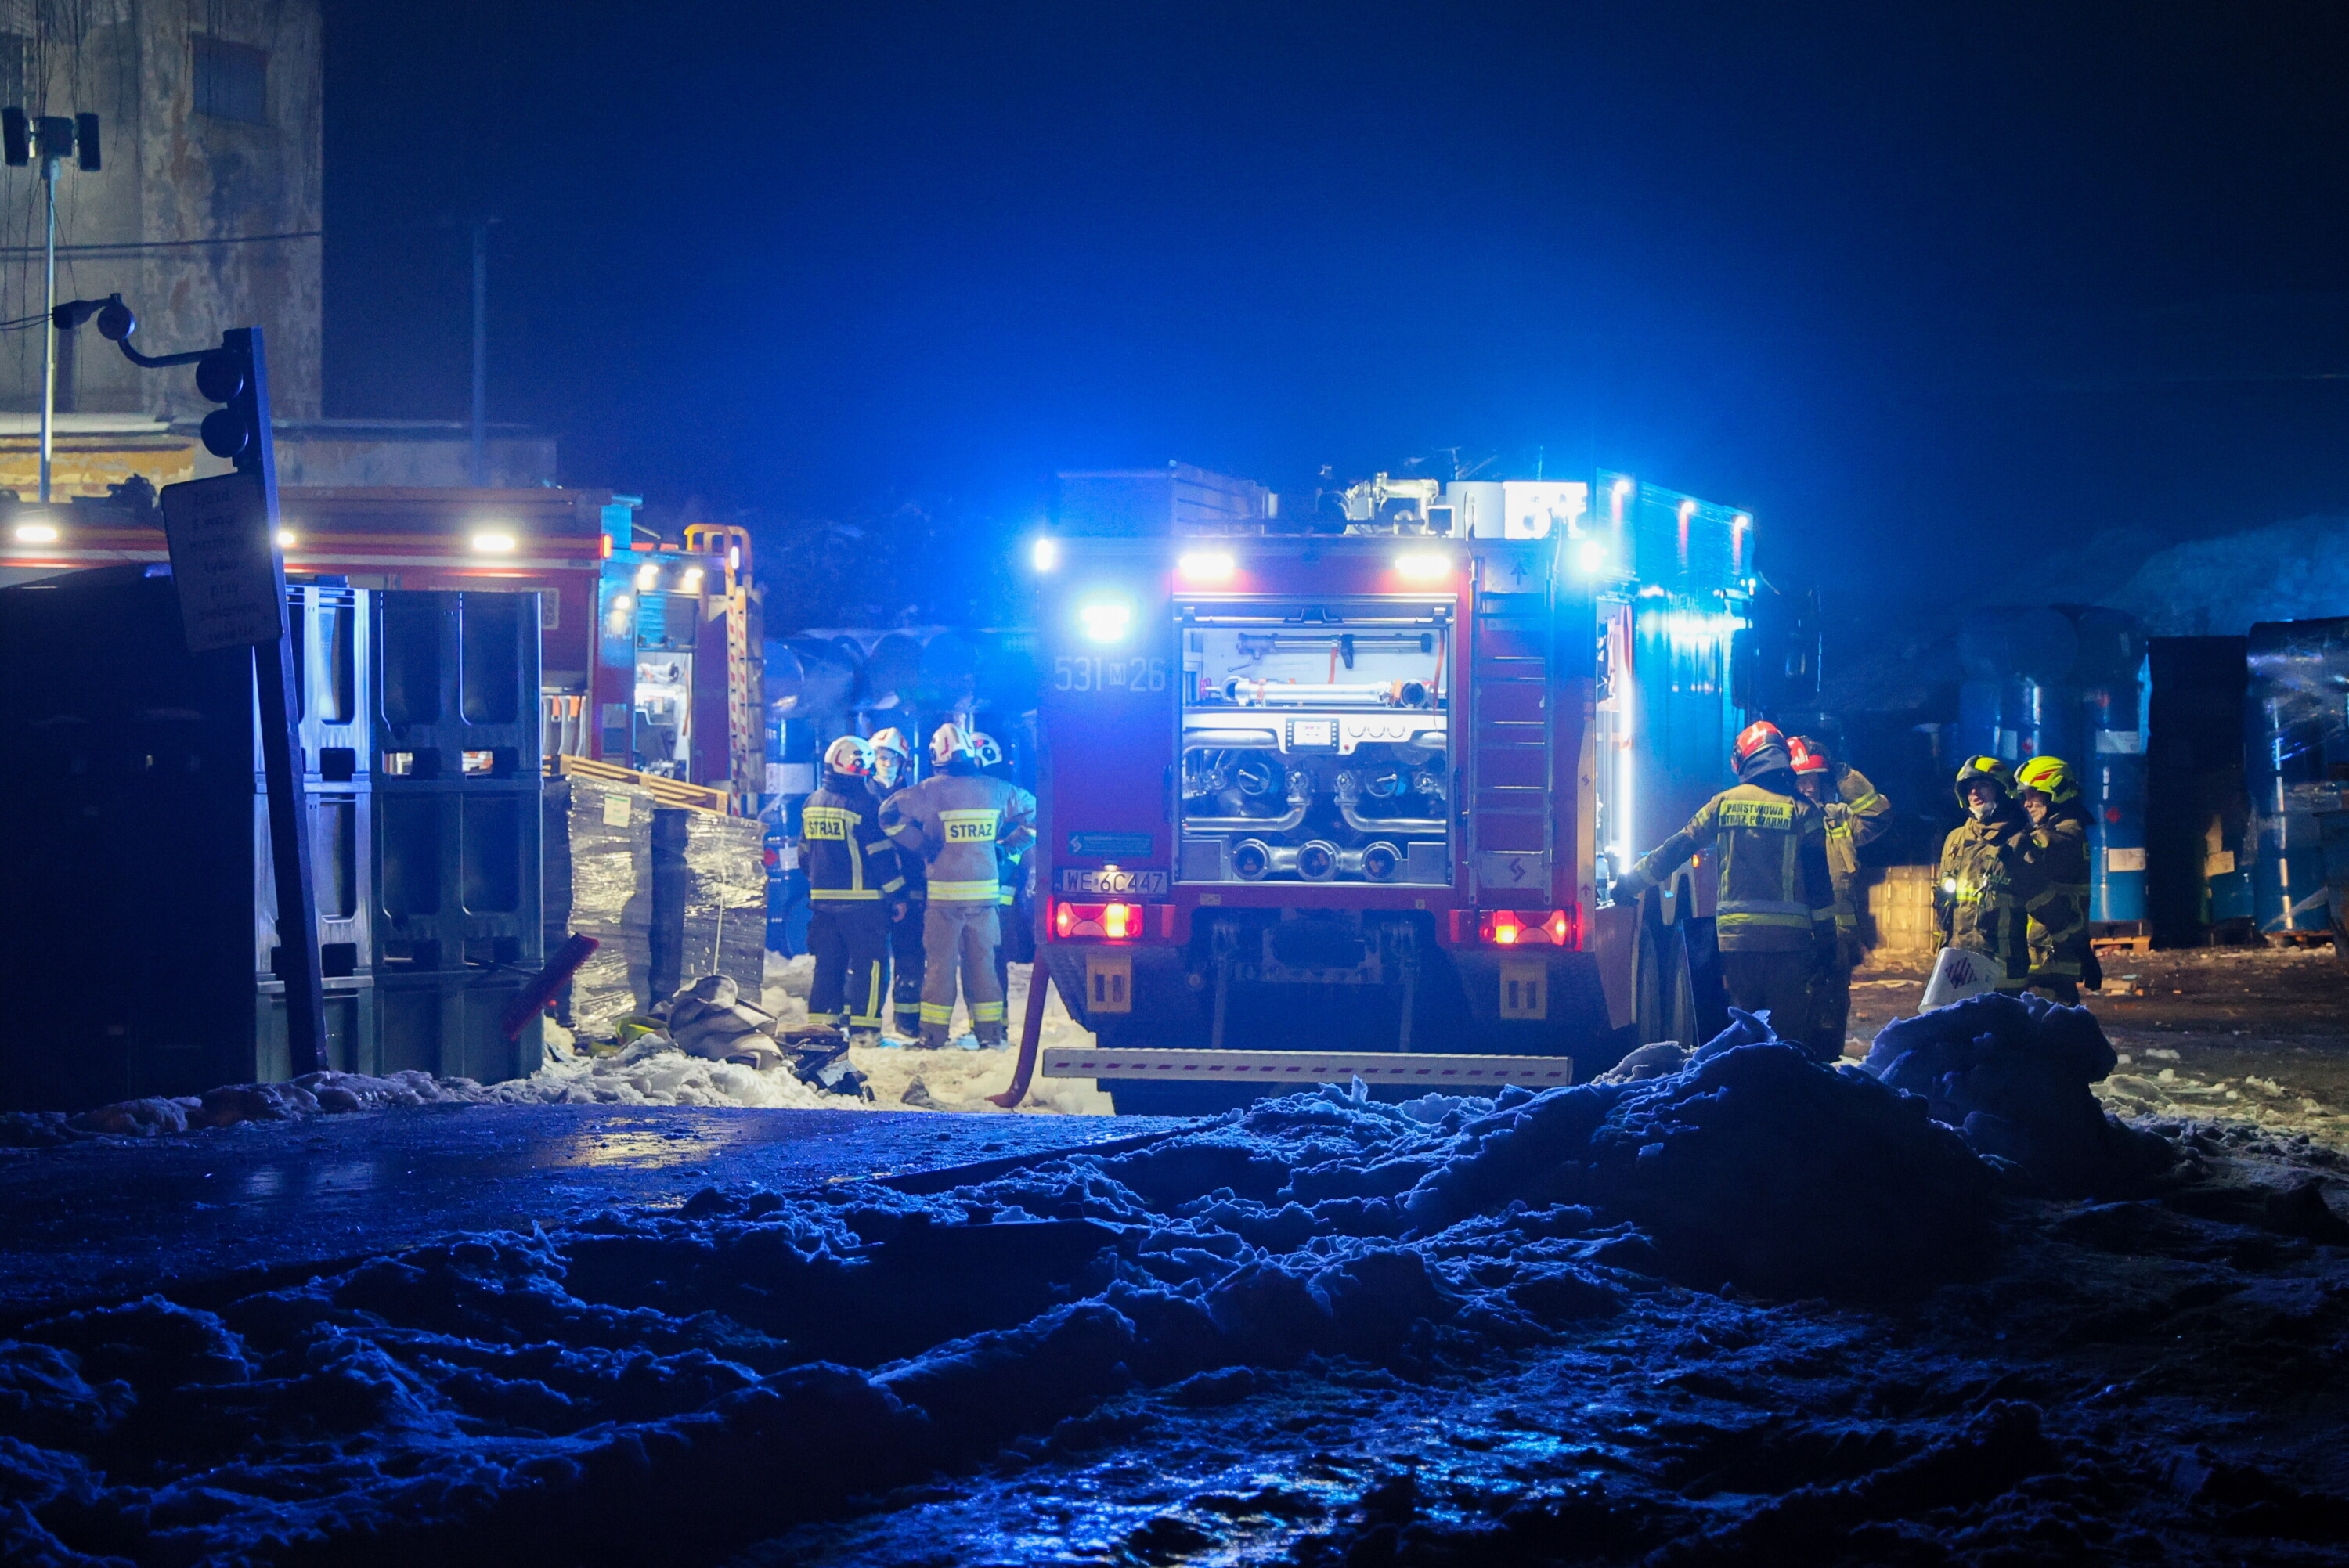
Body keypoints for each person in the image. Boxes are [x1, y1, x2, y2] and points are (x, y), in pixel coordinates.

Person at [1612, 720, 1837, 1054]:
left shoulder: (1724, 804)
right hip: (1791, 949)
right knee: (1788, 1045)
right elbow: (1820, 888)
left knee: (1742, 1040)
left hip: (1737, 947)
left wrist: (1631, 883)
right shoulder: (1805, 812)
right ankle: (1783, 1102)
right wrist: (1829, 946)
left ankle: (1738, 1101)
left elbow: (1677, 848)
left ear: (1744, 760)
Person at [879, 723, 1037, 1047]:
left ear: (937, 755)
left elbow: (888, 814)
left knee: (940, 966)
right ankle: (990, 1035)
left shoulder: (928, 791)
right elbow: (1036, 812)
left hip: (944, 900)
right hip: (985, 900)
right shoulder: (997, 789)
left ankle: (933, 1036)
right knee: (984, 966)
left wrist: (921, 844)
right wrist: (1009, 847)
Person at [799, 737, 903, 1044]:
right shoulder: (866, 805)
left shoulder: (812, 802)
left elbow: (803, 854)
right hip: (864, 905)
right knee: (869, 968)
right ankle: (866, 1031)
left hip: (822, 904)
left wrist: (821, 884)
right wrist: (897, 895)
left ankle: (822, 1029)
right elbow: (881, 856)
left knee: (827, 967)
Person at [1938, 755, 2031, 993]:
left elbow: (2037, 908)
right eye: (1969, 788)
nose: (1974, 792)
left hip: (2004, 966)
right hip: (1959, 963)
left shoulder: (2020, 841)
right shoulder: (1956, 839)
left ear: (2002, 790)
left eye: (1983, 785)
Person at [2013, 755, 2096, 1004]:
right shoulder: (2060, 831)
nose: (2026, 804)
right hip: (2047, 954)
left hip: (2049, 957)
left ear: (2055, 790)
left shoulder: (2064, 836)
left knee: (2048, 1034)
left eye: (2032, 795)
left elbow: (2021, 852)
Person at [868, 726, 926, 1039]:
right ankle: (866, 1022)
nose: (887, 764)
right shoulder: (861, 797)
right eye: (881, 757)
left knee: (911, 959)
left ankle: (907, 1023)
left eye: (892, 758)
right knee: (870, 962)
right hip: (873, 893)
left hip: (912, 891)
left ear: (904, 763)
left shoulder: (916, 799)